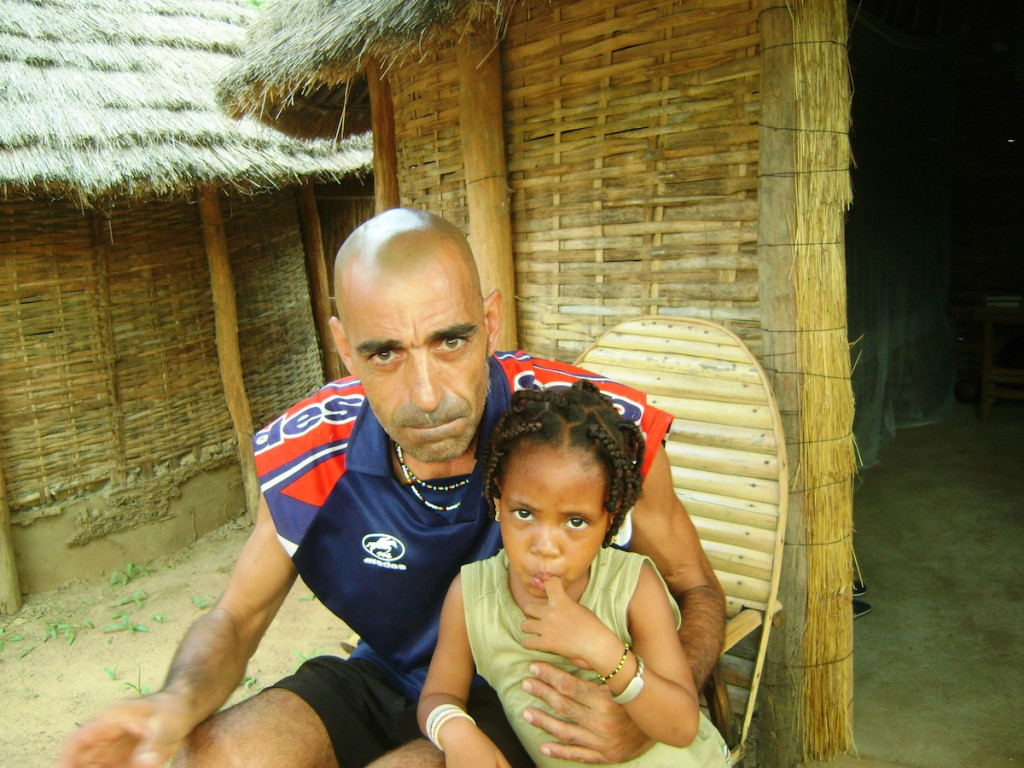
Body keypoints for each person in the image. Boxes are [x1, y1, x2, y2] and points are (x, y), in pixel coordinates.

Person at [58, 208, 725, 768]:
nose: (428, 395)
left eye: (451, 341)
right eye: (386, 353)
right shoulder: (310, 450)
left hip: (532, 690)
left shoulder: (584, 435)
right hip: (387, 676)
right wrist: (175, 702)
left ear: (490, 320)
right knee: (218, 754)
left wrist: (644, 710)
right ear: (344, 348)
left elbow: (697, 588)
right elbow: (236, 616)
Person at [418, 381, 731, 767]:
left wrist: (601, 647)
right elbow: (438, 696)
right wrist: (456, 730)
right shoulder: (471, 597)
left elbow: (681, 725)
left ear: (608, 522)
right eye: (525, 513)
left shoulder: (632, 587)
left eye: (577, 521)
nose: (546, 545)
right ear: (498, 499)